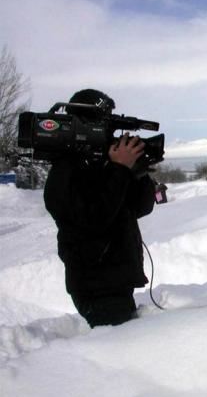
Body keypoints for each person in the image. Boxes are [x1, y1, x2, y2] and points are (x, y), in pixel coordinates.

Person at [44, 89, 156, 328]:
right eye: (103, 122)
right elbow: (94, 219)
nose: (108, 131)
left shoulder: (103, 165)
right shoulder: (65, 172)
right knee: (120, 355)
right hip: (95, 286)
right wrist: (120, 170)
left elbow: (139, 207)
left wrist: (138, 172)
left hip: (117, 282)